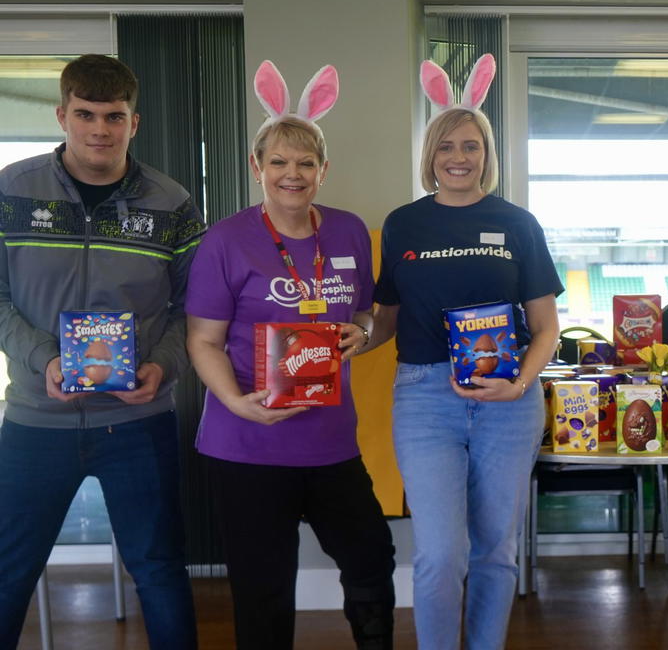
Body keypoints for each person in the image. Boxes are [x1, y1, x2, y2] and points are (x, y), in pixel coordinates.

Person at [185, 61, 395, 649]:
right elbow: (202, 340)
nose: (292, 174)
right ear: (257, 168)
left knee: (371, 558)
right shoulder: (226, 240)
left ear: (324, 170)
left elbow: (363, 314)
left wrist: (361, 333)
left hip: (330, 440)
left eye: (305, 163)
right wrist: (238, 403)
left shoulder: (349, 232)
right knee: (264, 588)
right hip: (247, 442)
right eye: (278, 162)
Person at [0, 54, 202, 648]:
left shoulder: (171, 202)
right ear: (62, 115)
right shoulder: (11, 191)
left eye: (113, 116)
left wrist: (164, 364)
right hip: (36, 421)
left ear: (133, 123)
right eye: (85, 114)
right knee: (9, 570)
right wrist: (44, 359)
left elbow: (195, 309)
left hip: (138, 422)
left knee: (159, 569)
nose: (99, 129)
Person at [364, 54, 560, 650]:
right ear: (430, 155)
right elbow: (385, 320)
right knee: (440, 553)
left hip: (508, 401)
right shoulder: (404, 224)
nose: (459, 156)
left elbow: (546, 328)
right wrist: (347, 343)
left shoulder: (519, 224)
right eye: (447, 145)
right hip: (425, 397)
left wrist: (519, 384)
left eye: (471, 145)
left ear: (486, 154)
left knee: (496, 551)